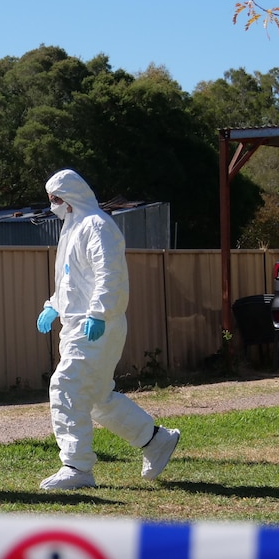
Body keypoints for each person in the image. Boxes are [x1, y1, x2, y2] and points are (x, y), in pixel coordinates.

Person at [36, 169, 179, 490]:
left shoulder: (97, 227)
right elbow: (71, 280)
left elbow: (109, 274)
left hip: (96, 324)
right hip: (77, 324)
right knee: (97, 397)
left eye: (56, 199)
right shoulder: (72, 230)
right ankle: (155, 440)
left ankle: (77, 466)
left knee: (66, 387)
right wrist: (53, 305)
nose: (54, 206)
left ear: (71, 197)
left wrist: (99, 313)